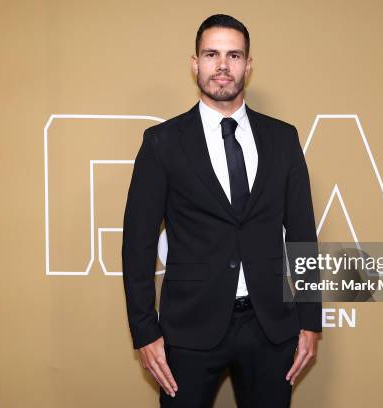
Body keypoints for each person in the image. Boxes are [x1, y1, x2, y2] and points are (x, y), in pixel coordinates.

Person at [122, 13, 321, 408]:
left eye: (234, 55)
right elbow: (138, 244)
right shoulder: (162, 143)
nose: (223, 66)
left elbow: (302, 236)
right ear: (195, 63)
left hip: (270, 329)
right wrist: (145, 331)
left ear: (248, 65)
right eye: (212, 54)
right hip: (189, 332)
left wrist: (311, 322)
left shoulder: (283, 139)